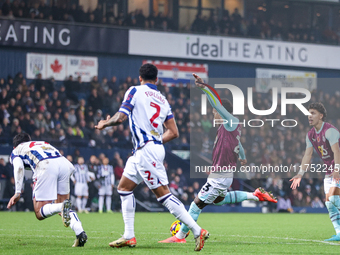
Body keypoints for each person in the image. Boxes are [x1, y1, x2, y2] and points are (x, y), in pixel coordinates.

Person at [95, 63, 209, 251]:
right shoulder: (163, 100)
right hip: (148, 149)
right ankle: (129, 235)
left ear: (140, 78)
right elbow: (173, 132)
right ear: (157, 80)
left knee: (163, 194)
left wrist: (104, 124)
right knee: (123, 188)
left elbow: (121, 117)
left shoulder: (134, 91)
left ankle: (198, 231)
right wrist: (155, 142)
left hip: (146, 150)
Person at [159, 73, 277, 243]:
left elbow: (216, 103)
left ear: (222, 112)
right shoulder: (226, 128)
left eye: (215, 111)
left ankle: (179, 236)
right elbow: (239, 144)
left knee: (196, 204)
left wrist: (204, 88)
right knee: (221, 200)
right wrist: (243, 158)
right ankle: (255, 195)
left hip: (220, 176)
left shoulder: (231, 121)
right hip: (223, 175)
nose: (213, 113)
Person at [7, 133, 87, 247]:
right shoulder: (42, 143)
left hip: (45, 165)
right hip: (64, 165)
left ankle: (60, 206)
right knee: (64, 206)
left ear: (15, 146)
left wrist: (18, 192)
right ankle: (80, 233)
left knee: (39, 212)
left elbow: (19, 167)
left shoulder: (16, 150)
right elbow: (67, 164)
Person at [290, 102, 340, 241]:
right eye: (308, 113)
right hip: (329, 170)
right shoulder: (310, 134)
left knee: (334, 198)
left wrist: (337, 169)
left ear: (321, 116)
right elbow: (308, 155)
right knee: (329, 203)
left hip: (338, 168)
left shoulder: (330, 131)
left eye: (313, 113)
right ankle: (339, 233)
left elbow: (337, 151)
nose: (309, 116)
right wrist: (300, 173)